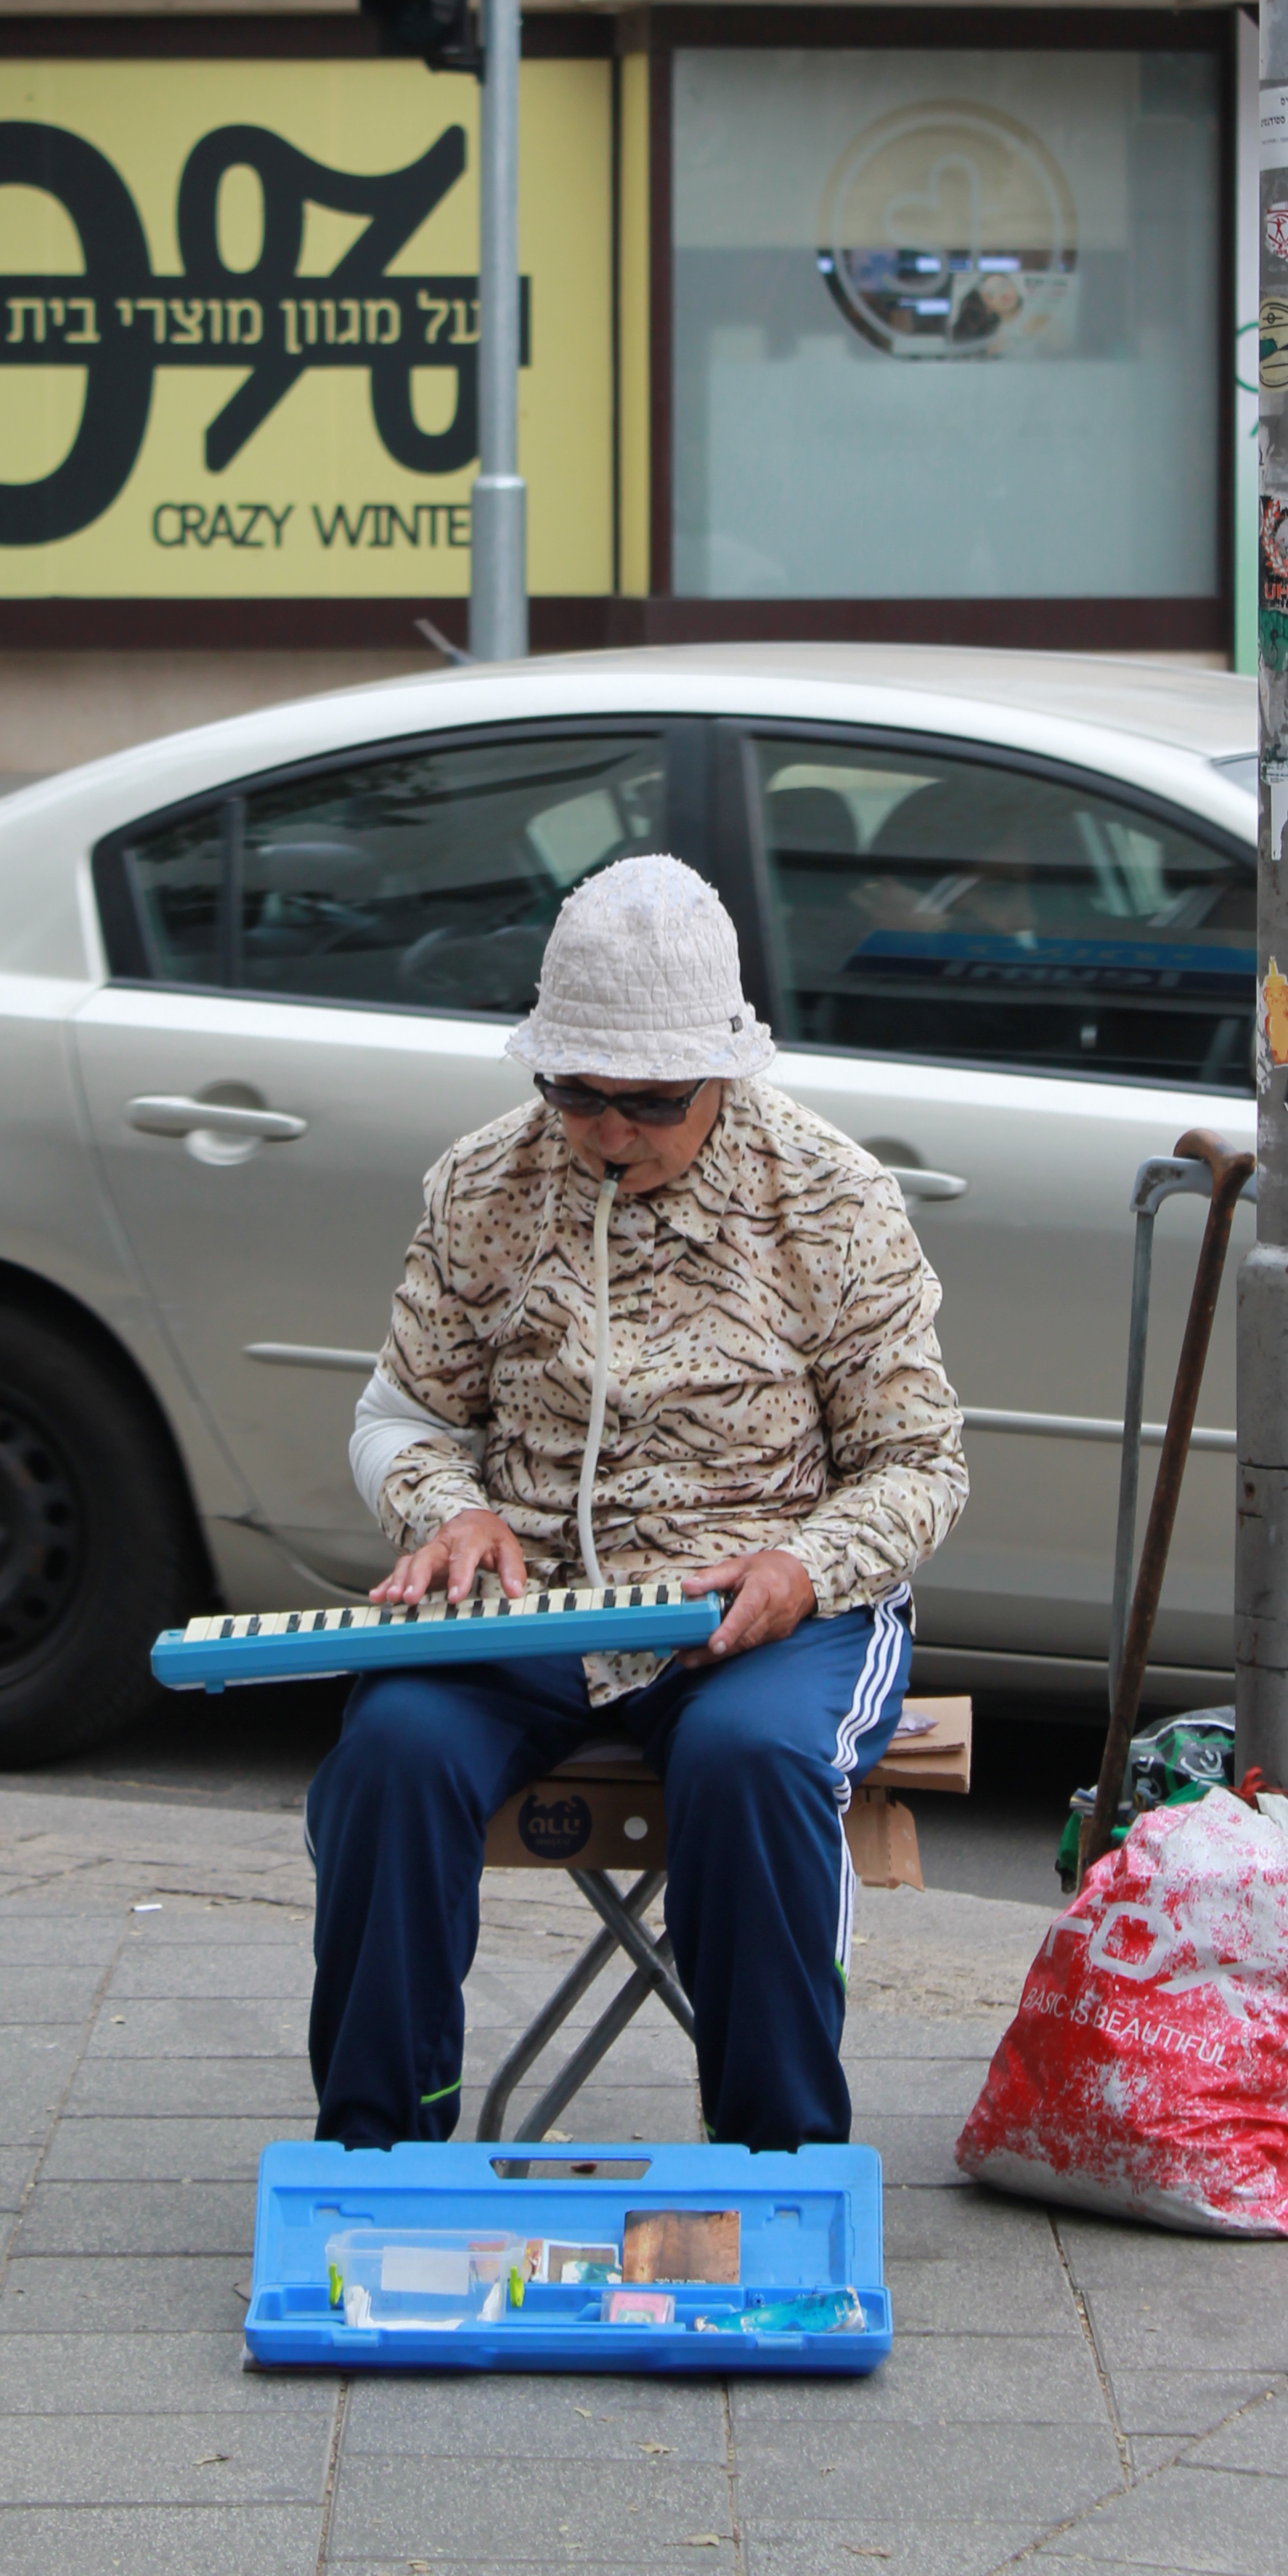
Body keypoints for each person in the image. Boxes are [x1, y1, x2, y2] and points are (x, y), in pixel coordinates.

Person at [306, 851, 967, 2155]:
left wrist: (801, 1561)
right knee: (390, 1750)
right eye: (577, 1092)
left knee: (752, 1760)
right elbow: (401, 1414)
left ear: (727, 1071)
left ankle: (780, 2157)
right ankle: (376, 2151)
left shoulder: (830, 1196)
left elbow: (921, 1462)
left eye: (654, 1100)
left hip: (774, 1608)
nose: (611, 1128)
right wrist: (447, 1505)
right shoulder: (482, 1184)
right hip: (535, 1603)